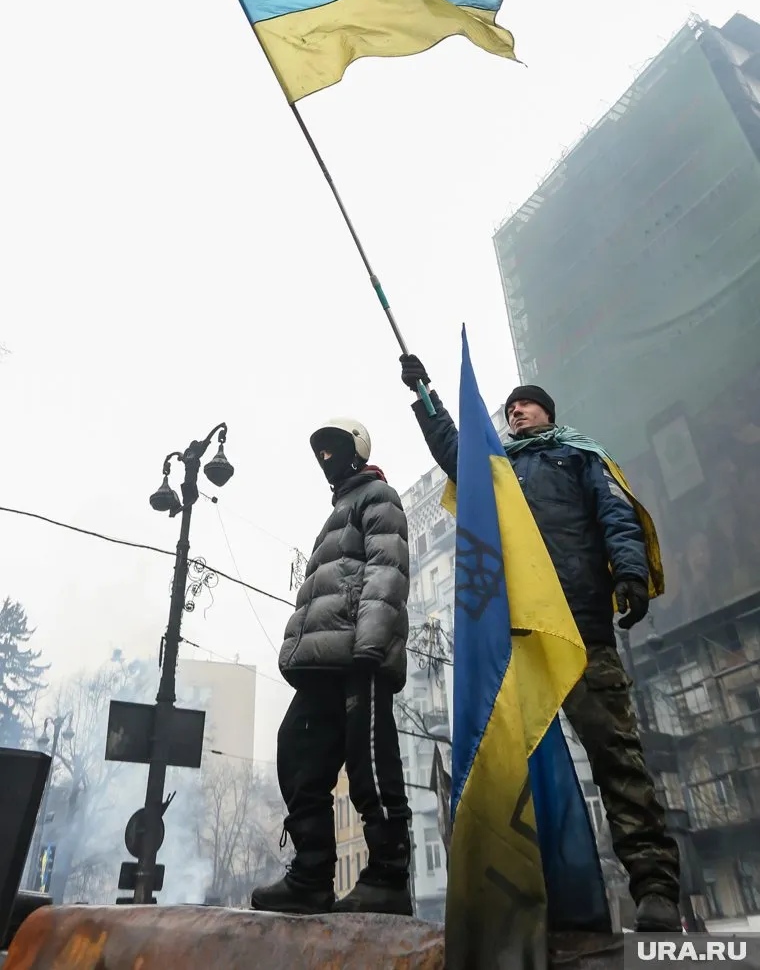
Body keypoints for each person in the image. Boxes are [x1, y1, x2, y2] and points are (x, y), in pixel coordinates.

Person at [399, 354, 682, 933]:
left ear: (546, 411)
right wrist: (426, 394)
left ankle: (654, 888)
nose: (514, 411)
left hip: (578, 628)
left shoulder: (580, 454)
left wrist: (629, 572)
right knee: (517, 770)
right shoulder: (497, 467)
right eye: (508, 408)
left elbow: (617, 516)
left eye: (523, 403)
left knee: (615, 757)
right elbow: (456, 452)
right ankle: (535, 897)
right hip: (518, 639)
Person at [250, 417, 413, 916]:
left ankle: (388, 875)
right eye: (320, 453)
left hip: (359, 655)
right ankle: (312, 876)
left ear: (358, 452)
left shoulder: (378, 497)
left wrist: (371, 642)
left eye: (335, 450)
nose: (326, 460)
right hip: (324, 660)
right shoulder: (337, 511)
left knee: (368, 763)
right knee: (297, 752)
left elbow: (387, 568)